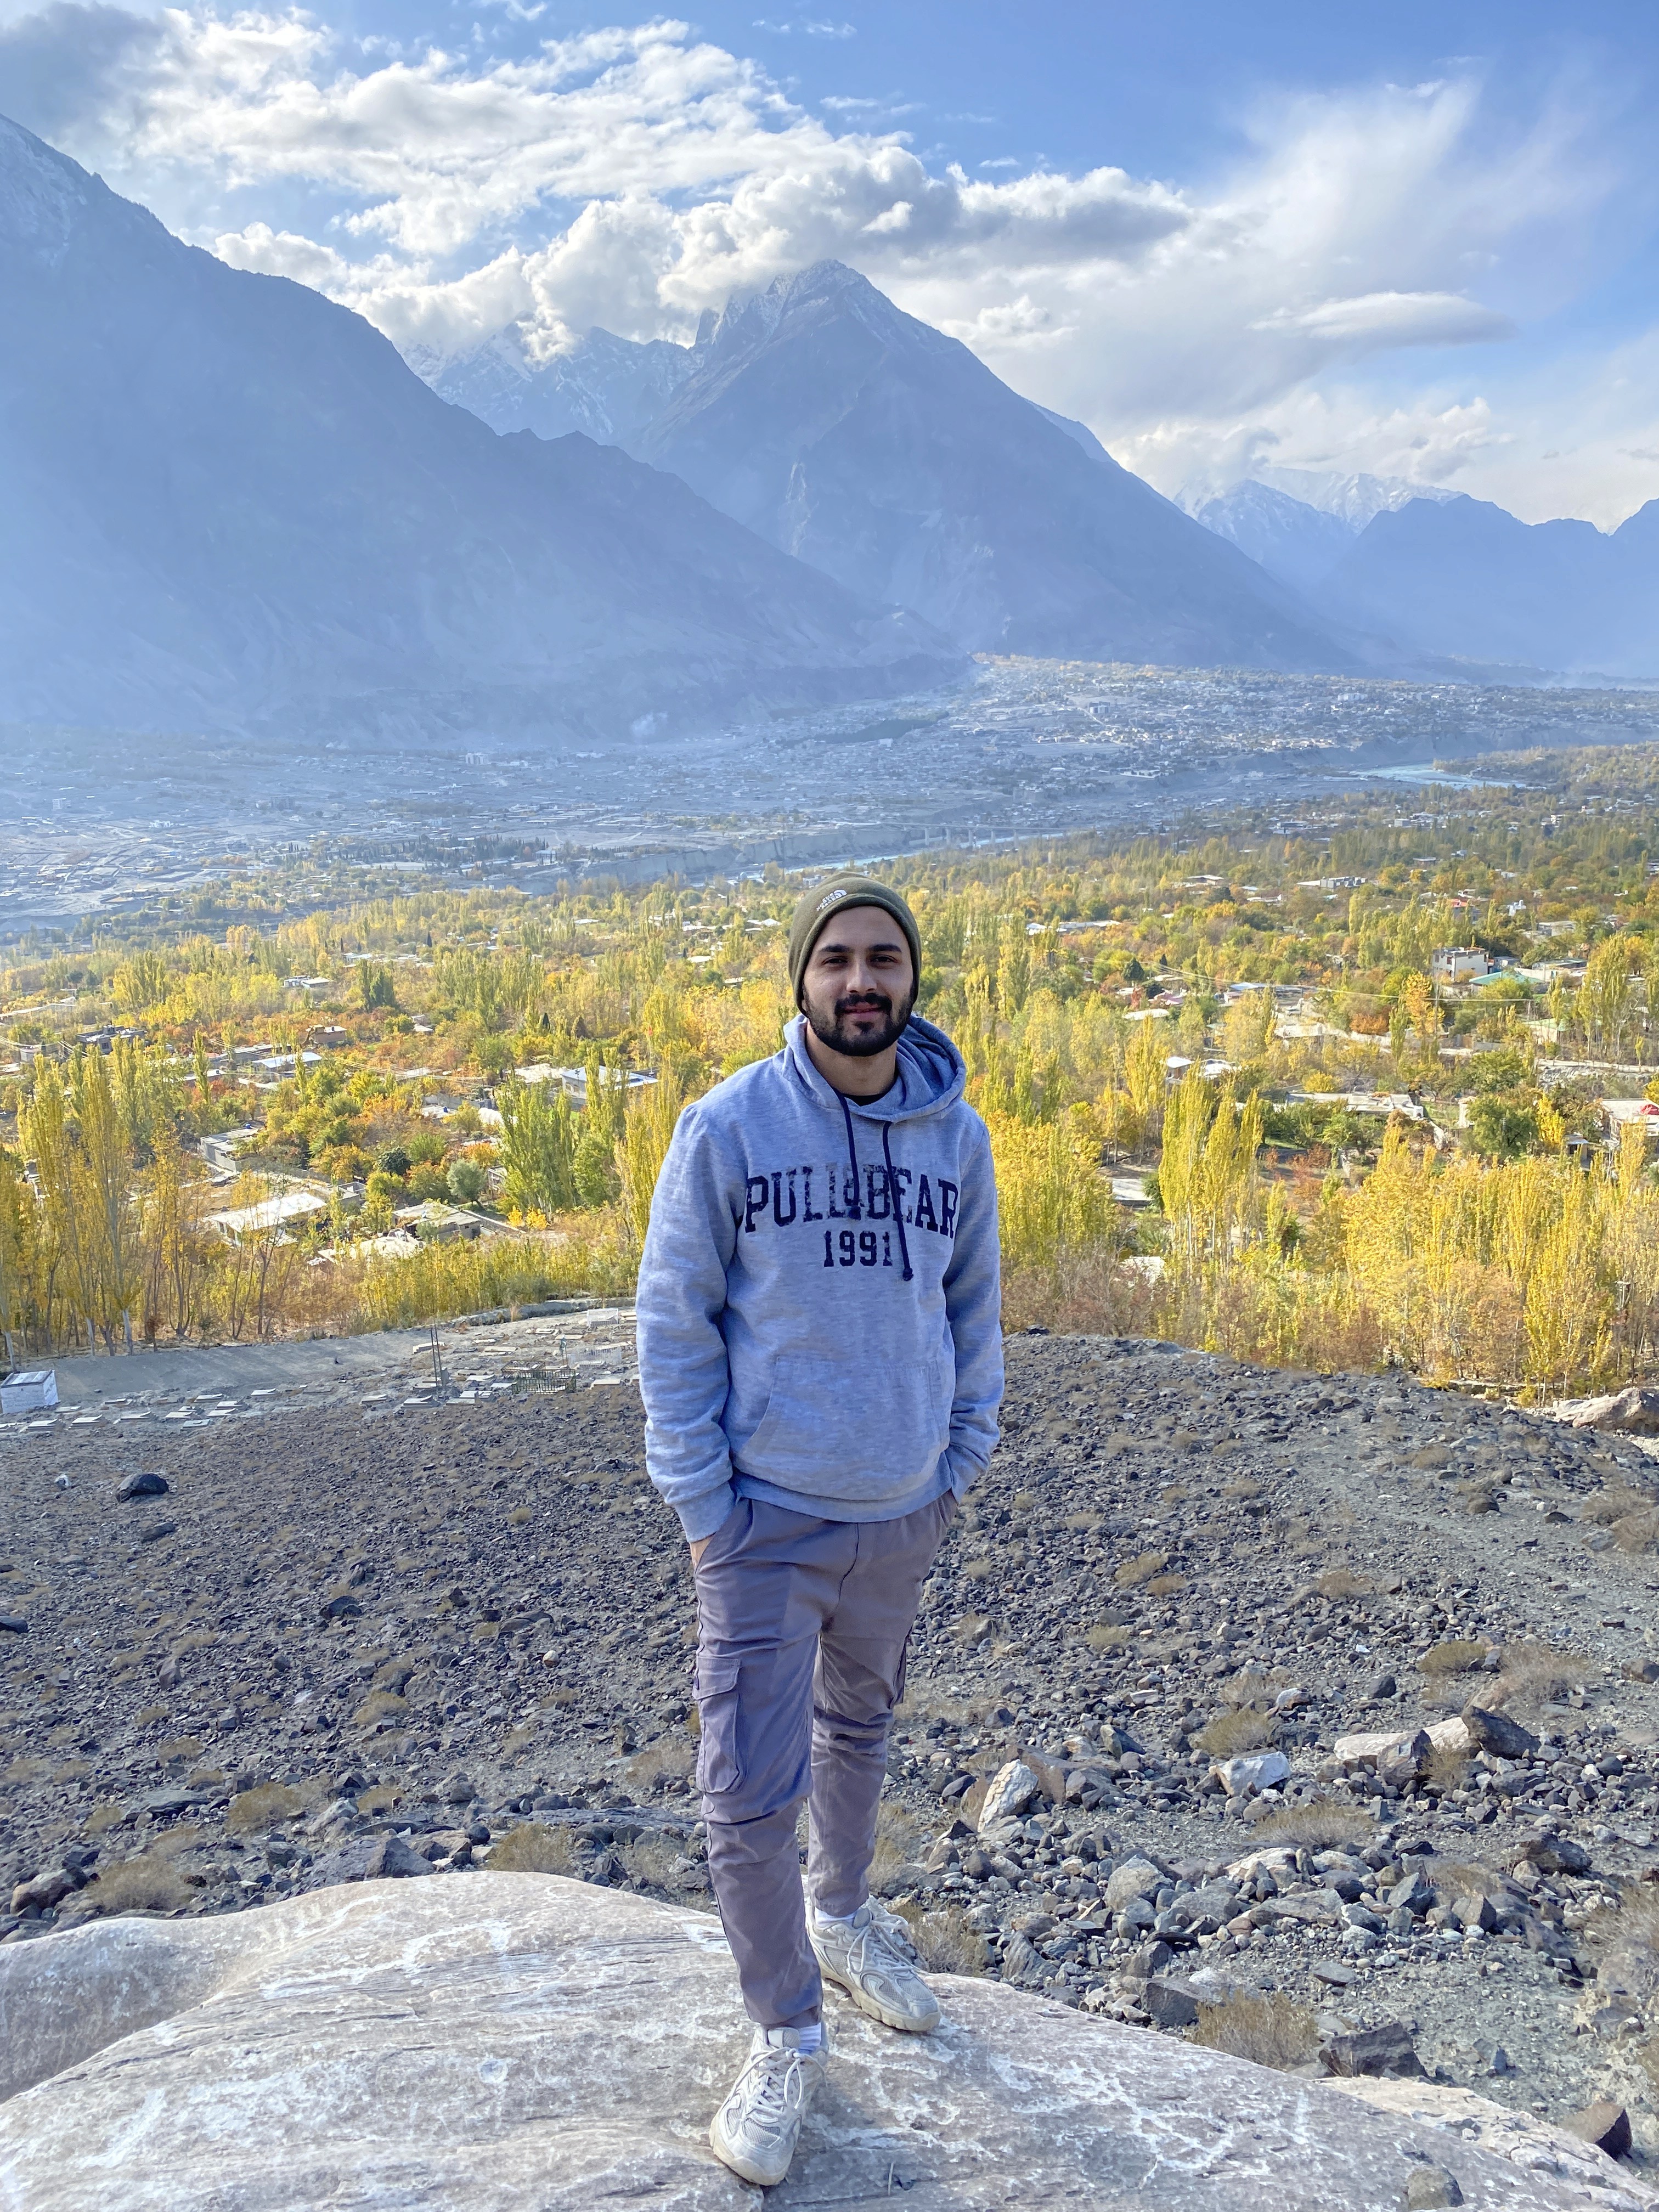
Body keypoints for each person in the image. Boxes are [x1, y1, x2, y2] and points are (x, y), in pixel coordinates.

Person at [636, 871, 1003, 2189]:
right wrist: (704, 1506)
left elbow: (974, 1308)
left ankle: (843, 1917)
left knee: (863, 1729)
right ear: (802, 980)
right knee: (745, 1790)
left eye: (883, 959)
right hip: (763, 1524)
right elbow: (673, 1320)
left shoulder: (957, 1139)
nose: (861, 980)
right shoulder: (729, 1126)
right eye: (837, 959)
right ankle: (786, 2029)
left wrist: (957, 1459)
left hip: (902, 1512)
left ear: (912, 980)